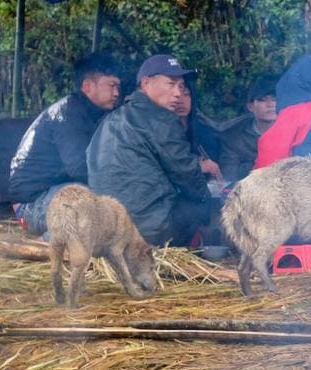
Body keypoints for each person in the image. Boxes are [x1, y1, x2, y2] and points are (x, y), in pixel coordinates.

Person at [87, 54, 216, 247]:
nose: (178, 93)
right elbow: (187, 174)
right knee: (199, 207)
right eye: (170, 84)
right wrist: (211, 205)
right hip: (147, 232)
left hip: (106, 230)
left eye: (181, 87)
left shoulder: (111, 119)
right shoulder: (160, 119)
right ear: (146, 83)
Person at [9, 53, 122, 235]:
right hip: (30, 207)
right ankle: (45, 247)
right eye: (112, 85)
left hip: (54, 196)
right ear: (87, 86)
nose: (117, 93)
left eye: (118, 87)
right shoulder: (68, 115)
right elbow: (79, 168)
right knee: (85, 201)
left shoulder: (93, 115)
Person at [217, 76, 278, 181]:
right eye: (262, 100)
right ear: (250, 106)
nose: (270, 104)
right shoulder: (233, 136)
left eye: (274, 99)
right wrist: (261, 164)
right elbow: (229, 174)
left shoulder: (294, 130)